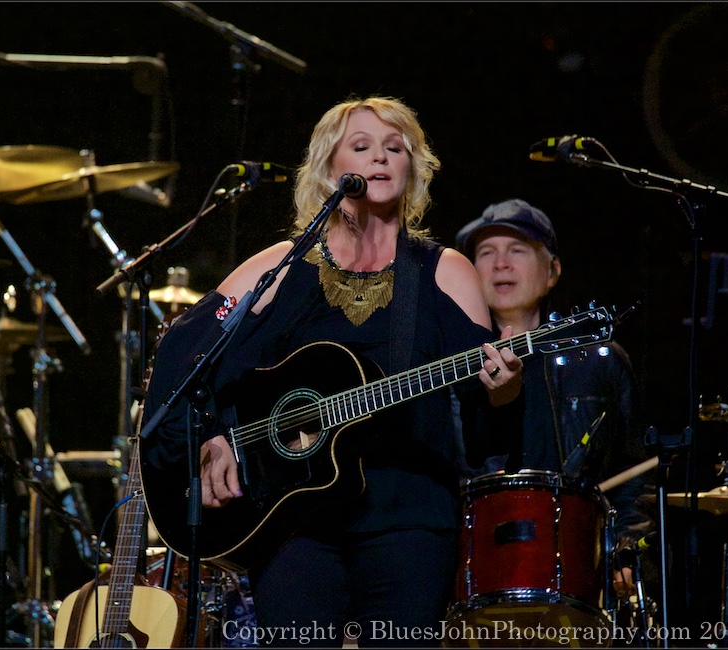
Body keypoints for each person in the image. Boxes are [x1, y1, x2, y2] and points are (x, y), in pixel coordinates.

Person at [140, 96, 524, 647]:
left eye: (395, 149)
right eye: (362, 147)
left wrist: (506, 391)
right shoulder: (280, 266)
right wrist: (213, 435)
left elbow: (488, 427)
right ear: (328, 170)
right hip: (291, 520)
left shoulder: (446, 272)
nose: (381, 159)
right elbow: (183, 354)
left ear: (413, 168)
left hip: (408, 518)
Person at [455, 198, 655, 602]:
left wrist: (625, 552)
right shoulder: (450, 368)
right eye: (485, 253)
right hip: (478, 578)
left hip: (579, 573)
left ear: (553, 272)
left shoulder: (602, 361)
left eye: (517, 250)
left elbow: (634, 474)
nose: (500, 264)